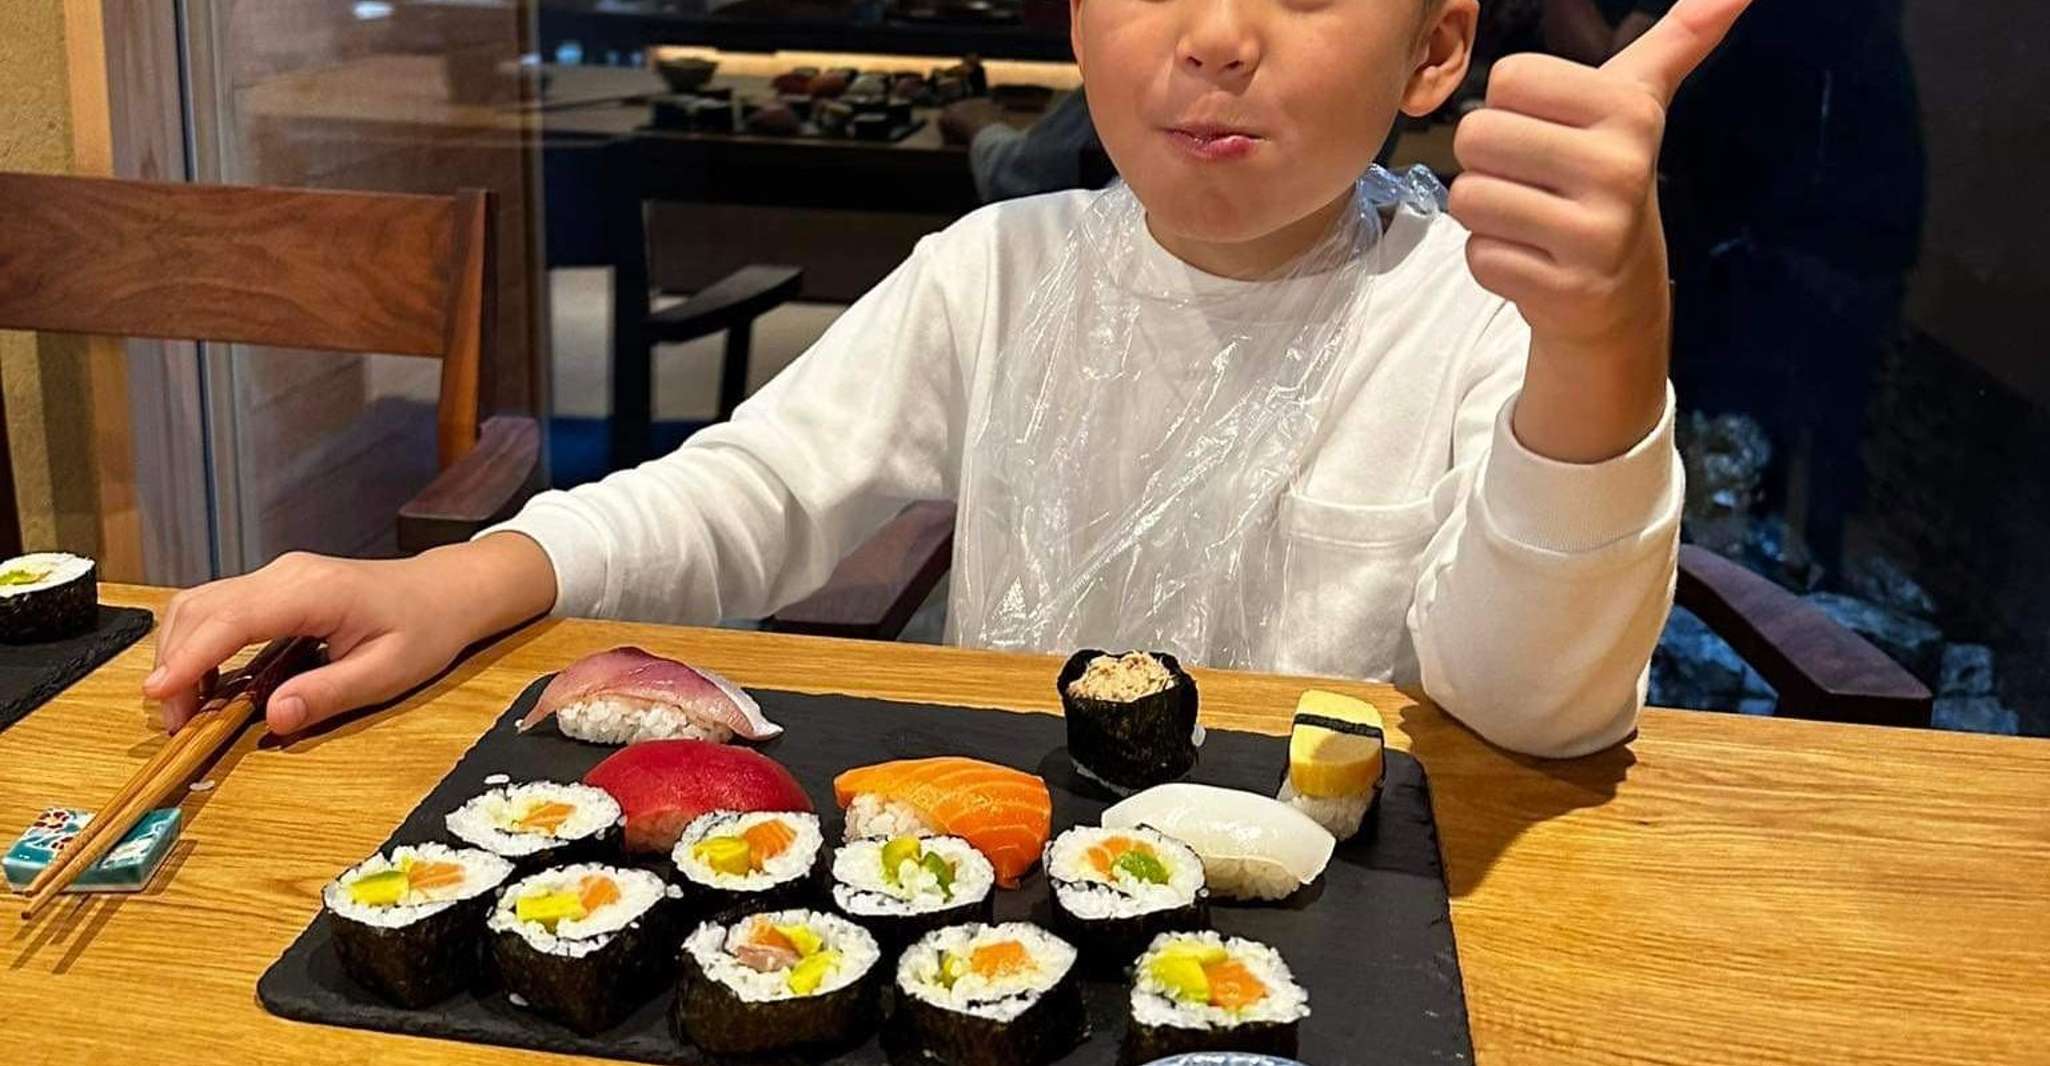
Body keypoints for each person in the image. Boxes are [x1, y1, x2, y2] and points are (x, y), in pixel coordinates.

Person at [146, 0, 1753, 758]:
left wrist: (1601, 346)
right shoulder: (999, 272)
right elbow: (754, 488)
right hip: (1006, 882)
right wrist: (463, 580)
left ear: (1433, 51)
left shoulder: (1466, 320)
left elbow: (1538, 710)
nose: (1211, 35)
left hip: (1359, 919)